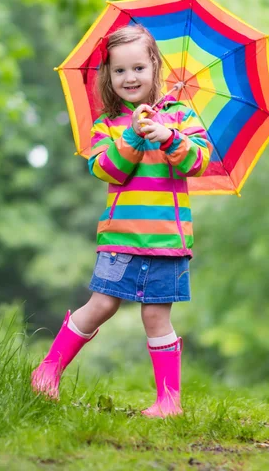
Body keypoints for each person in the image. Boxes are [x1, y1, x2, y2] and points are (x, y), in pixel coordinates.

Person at [31, 24, 210, 417]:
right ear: (108, 77)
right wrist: (131, 136)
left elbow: (199, 160)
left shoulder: (180, 115)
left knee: (155, 315)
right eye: (119, 71)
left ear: (154, 68)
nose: (130, 78)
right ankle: (47, 371)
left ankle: (169, 401)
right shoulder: (107, 124)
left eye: (138, 69)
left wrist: (166, 135)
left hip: (167, 240)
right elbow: (106, 169)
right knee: (101, 305)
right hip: (121, 238)